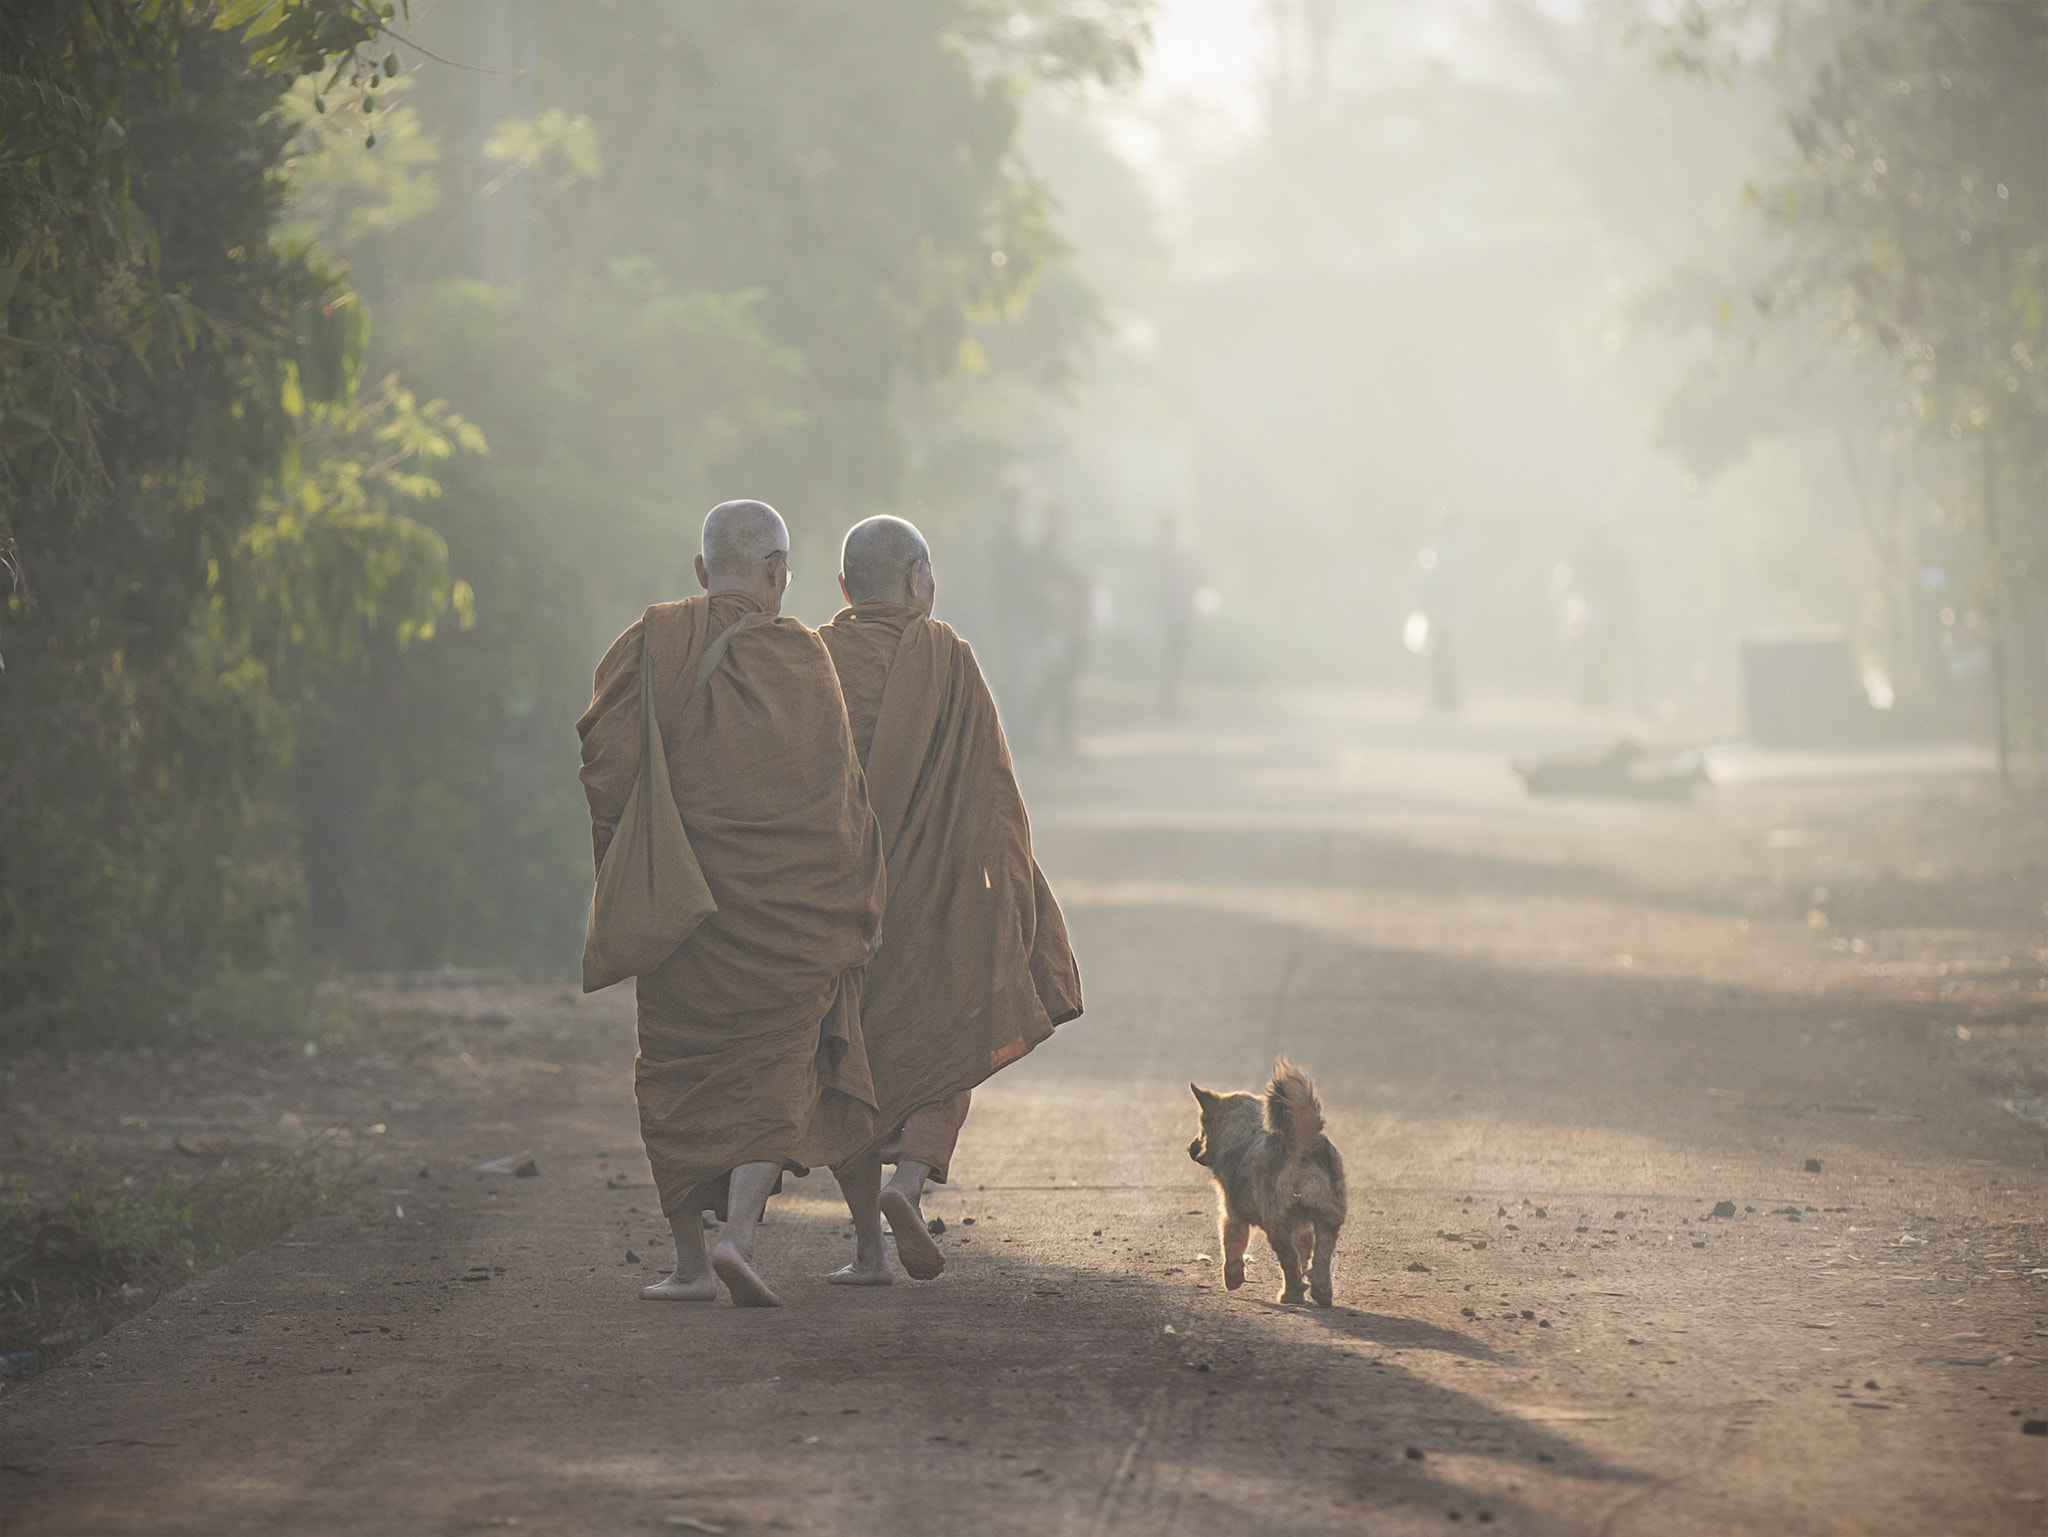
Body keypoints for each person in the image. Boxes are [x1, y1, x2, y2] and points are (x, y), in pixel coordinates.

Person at [576, 500, 885, 1308]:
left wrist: (628, 867)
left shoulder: (650, 643)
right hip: (785, 916)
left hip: (683, 909)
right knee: (779, 1057)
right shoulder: (802, 656)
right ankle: (738, 1236)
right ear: (779, 573)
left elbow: (606, 769)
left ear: (703, 571)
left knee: (676, 1072)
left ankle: (685, 1264)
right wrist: (851, 891)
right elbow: (837, 796)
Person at [816, 515, 1083, 1284]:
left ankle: (867, 1248)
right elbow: (992, 794)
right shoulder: (948, 658)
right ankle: (910, 1181)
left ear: (843, 589)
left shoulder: (815, 661)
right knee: (951, 1035)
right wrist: (1014, 897)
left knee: (848, 1060)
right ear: (918, 579)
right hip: (933, 906)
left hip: (842, 909)